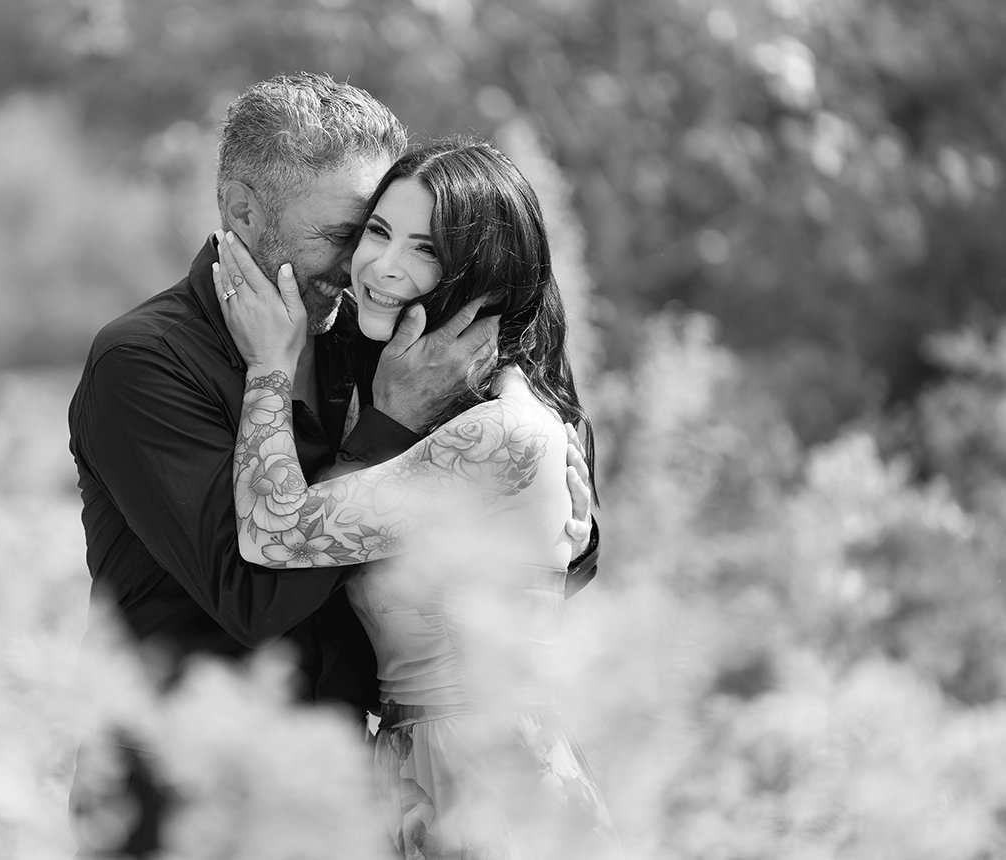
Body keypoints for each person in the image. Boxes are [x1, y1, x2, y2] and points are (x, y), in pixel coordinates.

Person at [67, 73, 599, 857]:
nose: (364, 264)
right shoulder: (144, 363)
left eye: (380, 232)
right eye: (347, 235)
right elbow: (253, 594)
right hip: (182, 802)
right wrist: (385, 426)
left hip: (359, 798)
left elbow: (551, 543)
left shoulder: (372, 339)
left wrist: (548, 453)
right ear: (241, 209)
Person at [214, 139, 621, 857]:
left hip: (485, 780)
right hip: (420, 764)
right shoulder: (431, 406)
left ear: (483, 278)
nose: (381, 266)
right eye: (377, 232)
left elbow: (274, 531)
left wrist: (268, 369)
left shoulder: (505, 431)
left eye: (423, 249)